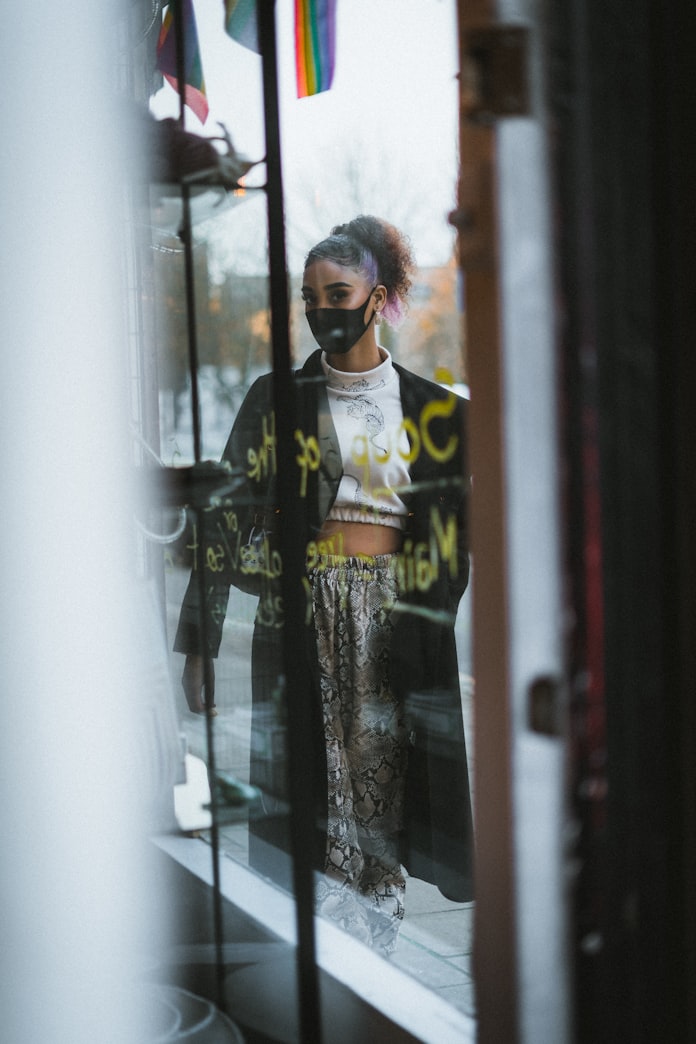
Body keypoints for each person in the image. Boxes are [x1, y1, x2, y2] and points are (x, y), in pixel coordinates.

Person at [174, 215, 474, 955]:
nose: (320, 310)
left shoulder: (438, 412)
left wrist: (428, 617)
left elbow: (457, 537)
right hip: (304, 612)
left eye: (337, 294)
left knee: (384, 789)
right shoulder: (274, 400)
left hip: (395, 617)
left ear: (378, 297)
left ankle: (373, 955)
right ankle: (321, 959)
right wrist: (200, 643)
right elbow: (222, 524)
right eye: (309, 297)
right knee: (313, 791)